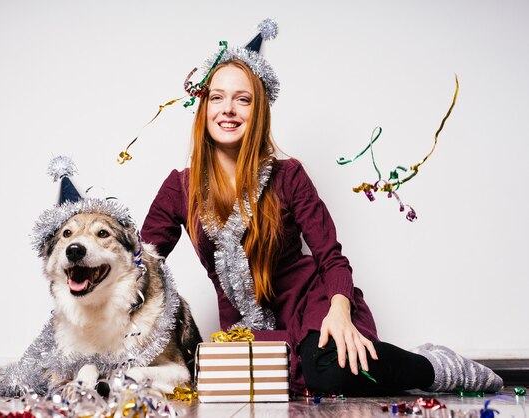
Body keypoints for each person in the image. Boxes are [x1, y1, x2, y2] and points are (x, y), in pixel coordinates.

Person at [140, 20, 503, 396]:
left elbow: (331, 256)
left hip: (313, 307)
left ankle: (436, 366)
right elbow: (140, 265)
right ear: (203, 107)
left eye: (243, 99)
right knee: (238, 383)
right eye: (217, 97)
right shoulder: (178, 189)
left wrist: (340, 311)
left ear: (258, 109)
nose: (228, 109)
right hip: (246, 329)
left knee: (327, 373)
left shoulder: (289, 176)